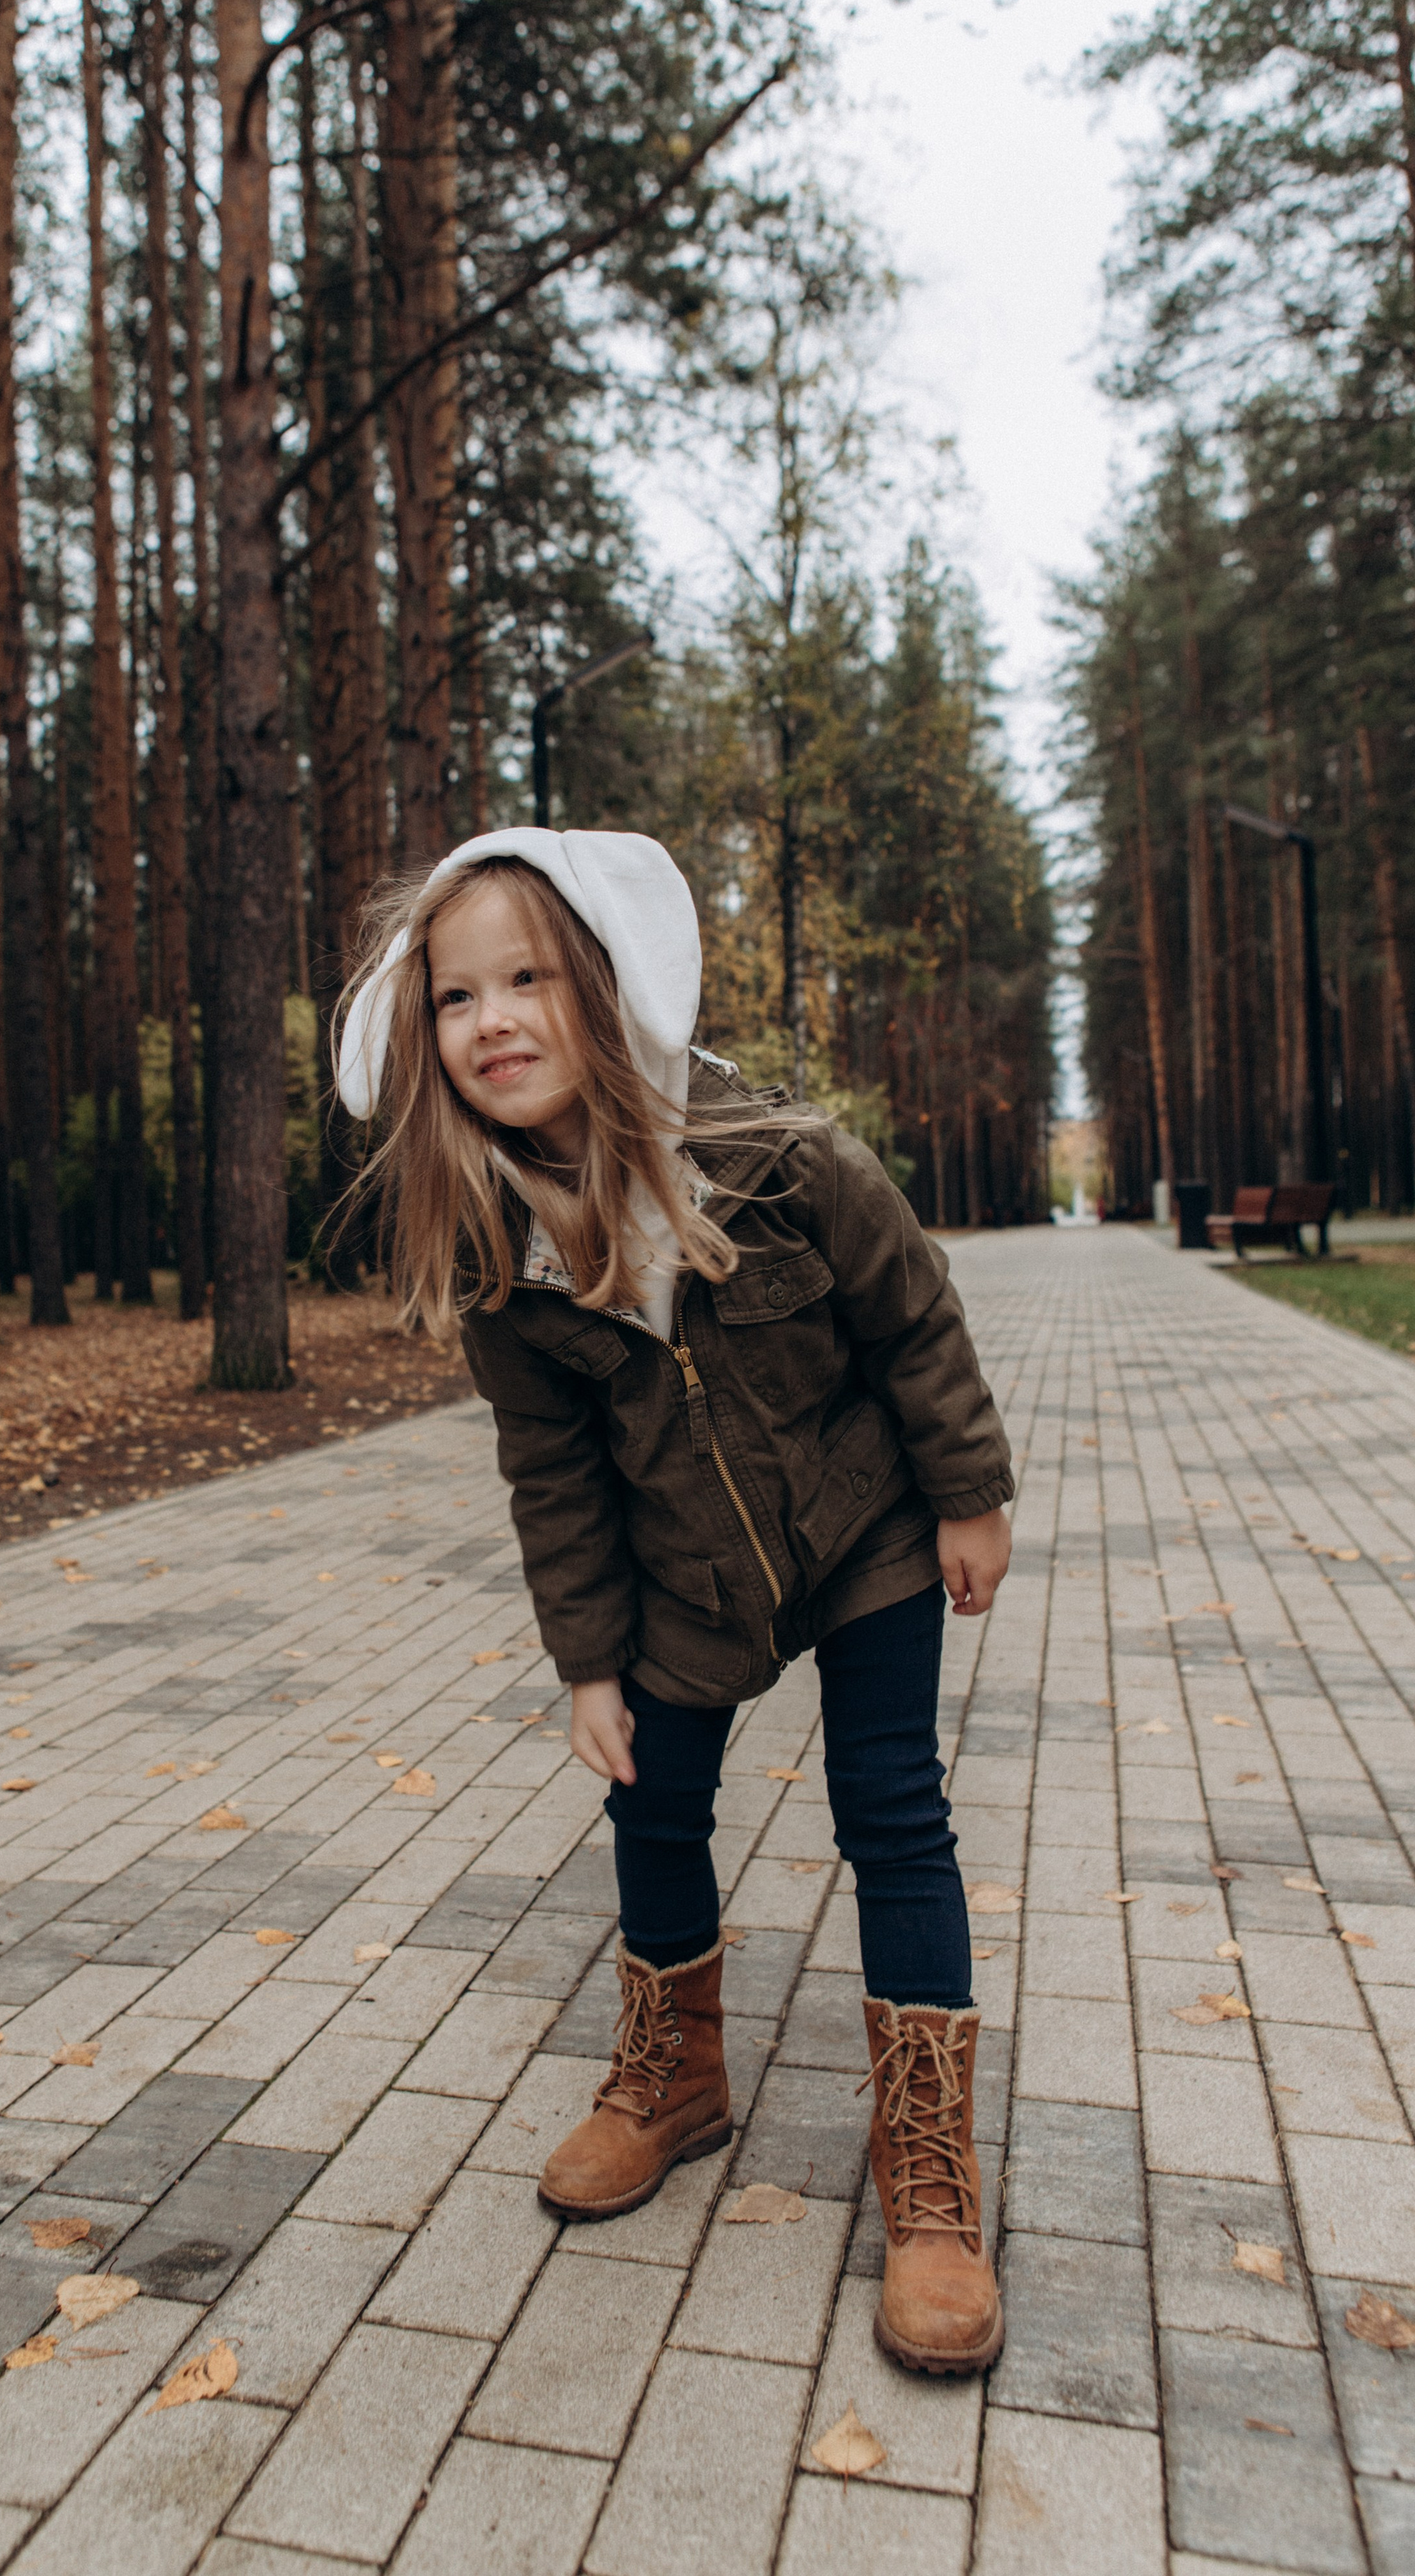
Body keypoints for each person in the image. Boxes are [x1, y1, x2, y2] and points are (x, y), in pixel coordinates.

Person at [336, 826, 1014, 2377]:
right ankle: (673, 2077)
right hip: (680, 1579)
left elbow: (912, 1315)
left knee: (889, 1805)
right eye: (456, 998)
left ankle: (924, 2172)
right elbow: (552, 1476)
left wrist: (966, 1492)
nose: (493, 1019)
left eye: (525, 980)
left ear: (600, 987)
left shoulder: (778, 1158)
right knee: (651, 1800)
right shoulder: (499, 1250)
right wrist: (588, 1663)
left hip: (866, 1536)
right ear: (423, 1038)